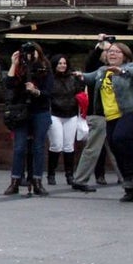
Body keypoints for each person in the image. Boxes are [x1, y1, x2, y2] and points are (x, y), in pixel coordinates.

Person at [76, 41, 133, 202]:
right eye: (110, 51)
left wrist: (122, 71)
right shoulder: (102, 71)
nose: (112, 54)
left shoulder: (131, 68)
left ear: (125, 55)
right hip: (111, 117)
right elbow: (88, 77)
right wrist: (78, 75)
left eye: (117, 51)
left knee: (121, 138)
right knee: (117, 148)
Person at [3, 42, 53, 197]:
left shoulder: (45, 69)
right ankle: (15, 181)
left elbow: (49, 92)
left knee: (38, 147)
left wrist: (36, 91)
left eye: (33, 51)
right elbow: (9, 84)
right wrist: (14, 64)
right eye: (27, 52)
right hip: (21, 111)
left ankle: (37, 181)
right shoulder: (20, 68)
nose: (30, 54)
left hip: (40, 111)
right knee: (19, 148)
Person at [72, 36, 121, 188]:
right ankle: (79, 180)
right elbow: (90, 63)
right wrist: (100, 45)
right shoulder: (97, 69)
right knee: (93, 149)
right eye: (107, 51)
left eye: (112, 51)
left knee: (117, 148)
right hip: (98, 114)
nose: (109, 54)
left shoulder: (116, 70)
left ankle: (128, 179)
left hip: (113, 114)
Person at [46, 53, 85, 189]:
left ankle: (70, 174)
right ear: (55, 65)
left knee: (69, 145)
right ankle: (51, 174)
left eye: (64, 63)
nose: (62, 66)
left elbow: (80, 92)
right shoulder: (49, 78)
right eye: (59, 63)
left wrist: (81, 79)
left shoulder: (73, 78)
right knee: (56, 144)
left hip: (71, 113)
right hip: (55, 114)